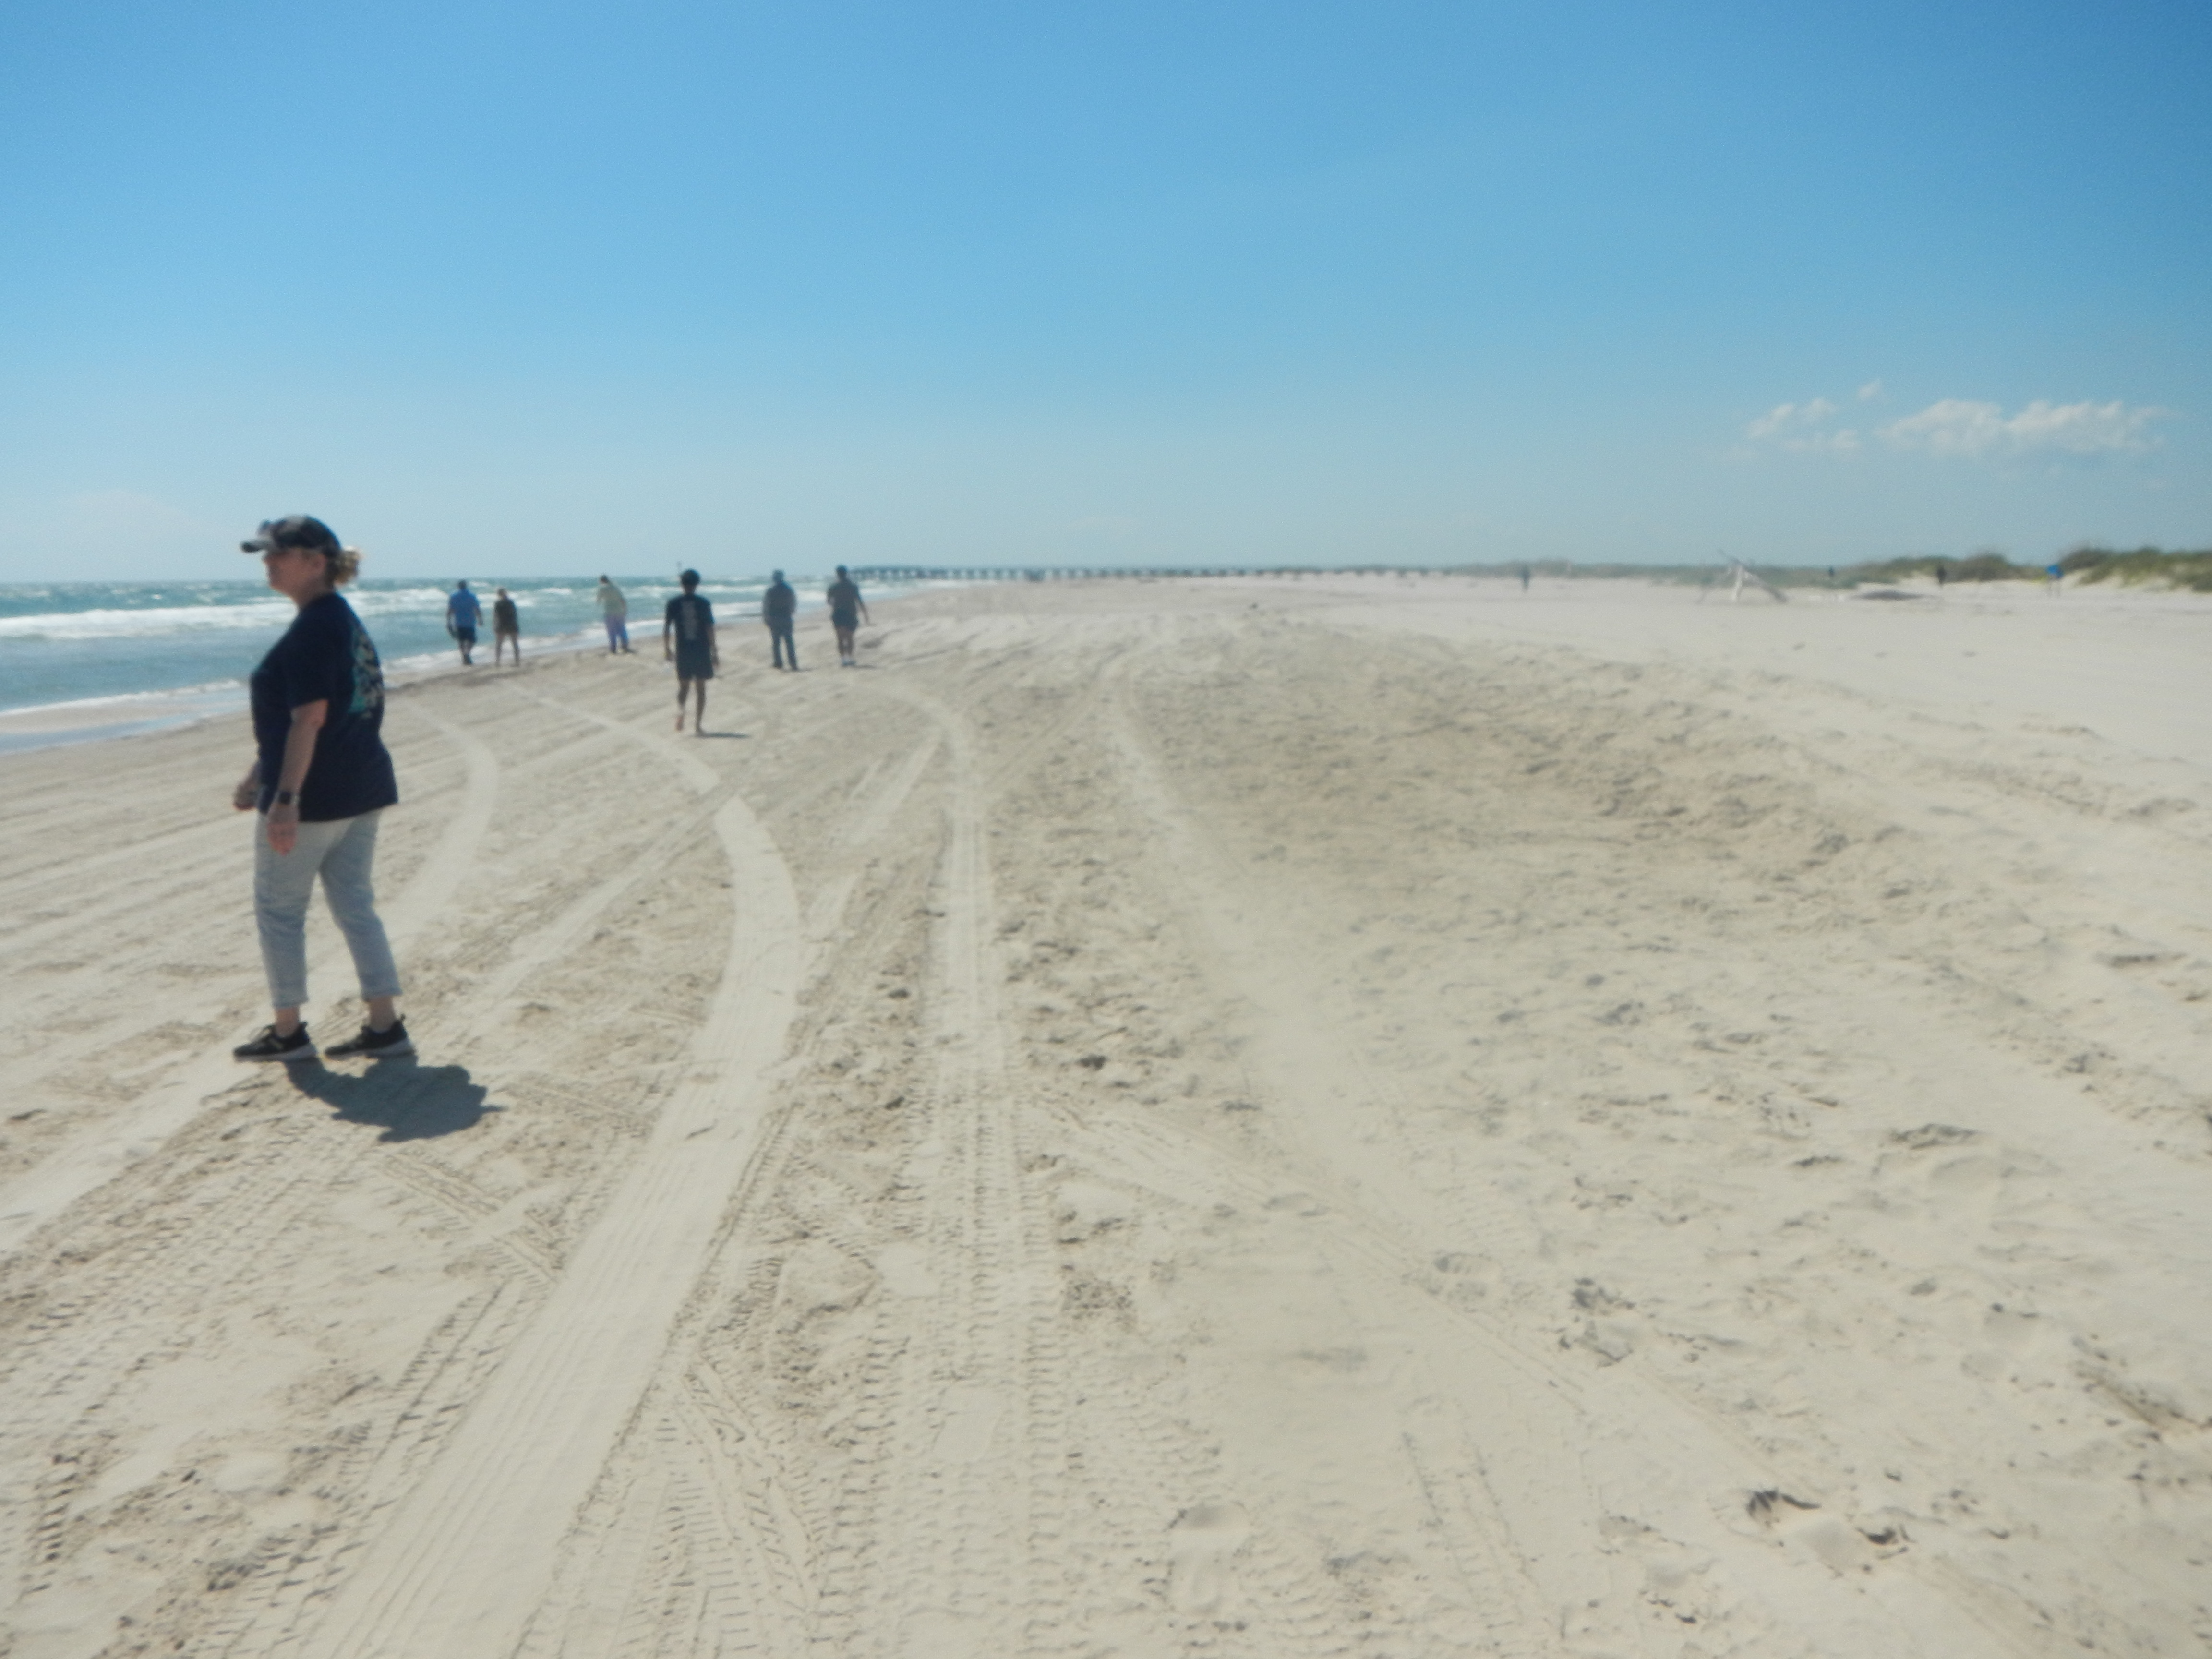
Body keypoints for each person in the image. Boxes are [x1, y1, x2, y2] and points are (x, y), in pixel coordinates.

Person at [230, 516, 412, 1063]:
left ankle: (287, 1032)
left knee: (280, 910)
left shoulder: (314, 628)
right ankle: (385, 1025)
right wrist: (258, 774)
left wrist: (284, 799)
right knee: (356, 906)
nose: (268, 563)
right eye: (265, 554)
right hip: (361, 786)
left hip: (315, 797)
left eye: (278, 554)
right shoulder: (341, 620)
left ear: (316, 562)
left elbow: (308, 719)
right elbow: (322, 715)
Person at [663, 568, 718, 733]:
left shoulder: (673, 603)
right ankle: (698, 725)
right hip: (701, 650)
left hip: (683, 650)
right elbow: (709, 628)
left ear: (682, 584)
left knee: (684, 686)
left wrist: (667, 648)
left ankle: (681, 712)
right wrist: (714, 651)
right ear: (697, 584)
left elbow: (667, 627)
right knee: (701, 689)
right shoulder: (704, 603)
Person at [826, 565, 870, 667]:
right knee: (850, 638)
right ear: (847, 574)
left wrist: (836, 604)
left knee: (840, 638)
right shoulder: (853, 586)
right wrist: (865, 614)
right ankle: (850, 658)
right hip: (851, 613)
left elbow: (829, 601)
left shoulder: (833, 587)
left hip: (838, 614)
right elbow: (859, 600)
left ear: (837, 574)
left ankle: (843, 659)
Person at [762, 569, 798, 670]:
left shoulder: (771, 591)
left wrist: (766, 618)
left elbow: (766, 605)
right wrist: (791, 612)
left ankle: (778, 663)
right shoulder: (788, 589)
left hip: (775, 618)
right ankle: (793, 663)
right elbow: (793, 603)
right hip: (786, 617)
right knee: (789, 641)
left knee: (776, 642)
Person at [446, 580, 481, 665]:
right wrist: (480, 619)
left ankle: (464, 656)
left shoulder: (454, 596)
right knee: (472, 640)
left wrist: (448, 621)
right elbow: (476, 608)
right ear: (466, 586)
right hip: (470, 622)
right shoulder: (472, 596)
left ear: (458, 587)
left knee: (461, 641)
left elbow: (451, 610)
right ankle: (467, 654)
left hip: (459, 622)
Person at [596, 575, 631, 654]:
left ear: (601, 581)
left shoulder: (602, 589)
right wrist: (625, 610)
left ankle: (613, 648)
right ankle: (625, 645)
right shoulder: (616, 588)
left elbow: (598, 600)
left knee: (611, 631)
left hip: (609, 612)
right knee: (622, 629)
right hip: (619, 611)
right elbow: (622, 600)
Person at [492, 587, 521, 666]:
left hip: (502, 624)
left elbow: (496, 616)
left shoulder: (498, 603)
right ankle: (517, 661)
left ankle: (498, 662)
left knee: (499, 644)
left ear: (499, 594)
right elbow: (515, 614)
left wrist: (494, 625)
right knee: (515, 643)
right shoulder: (511, 603)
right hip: (512, 624)